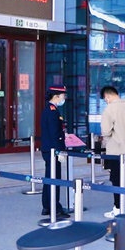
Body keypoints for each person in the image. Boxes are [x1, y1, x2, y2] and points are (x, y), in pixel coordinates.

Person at [100, 86, 125, 218]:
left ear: (107, 96)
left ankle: (117, 208)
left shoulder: (110, 109)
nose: (106, 101)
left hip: (116, 151)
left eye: (105, 99)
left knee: (116, 180)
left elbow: (105, 131)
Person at [40, 85, 70, 219]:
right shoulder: (52, 111)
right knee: (55, 178)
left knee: (49, 177)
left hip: (48, 149)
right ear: (56, 96)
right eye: (63, 95)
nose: (64, 98)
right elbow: (55, 134)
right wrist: (60, 150)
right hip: (53, 150)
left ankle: (47, 206)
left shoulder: (49, 109)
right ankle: (55, 207)